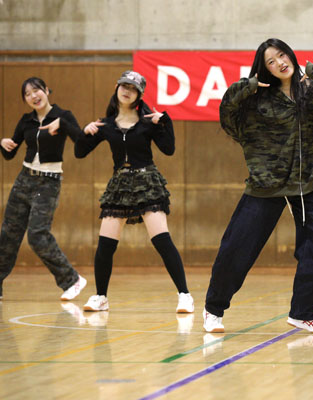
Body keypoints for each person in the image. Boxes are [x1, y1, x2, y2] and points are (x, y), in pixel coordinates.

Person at [202, 38, 313, 334]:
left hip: (309, 183)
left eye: (282, 55)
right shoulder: (256, 100)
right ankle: (213, 309)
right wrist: (245, 87)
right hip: (266, 184)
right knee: (237, 248)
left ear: (292, 55)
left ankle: (303, 313)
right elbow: (227, 116)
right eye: (271, 62)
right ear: (265, 70)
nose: (280, 63)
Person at [75, 71, 193, 313]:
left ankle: (185, 295)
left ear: (139, 95)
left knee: (162, 240)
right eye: (124, 86)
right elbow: (79, 152)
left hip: (147, 181)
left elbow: (169, 149)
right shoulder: (106, 125)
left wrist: (165, 121)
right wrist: (84, 132)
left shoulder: (148, 122)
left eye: (133, 88)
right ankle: (100, 297)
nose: (127, 91)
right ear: (117, 87)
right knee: (105, 244)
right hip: (119, 184)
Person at [0, 77, 86, 301]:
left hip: (48, 182)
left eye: (36, 90)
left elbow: (81, 141)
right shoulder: (26, 121)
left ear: (46, 90)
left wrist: (63, 124)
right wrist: (4, 144)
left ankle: (72, 280)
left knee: (37, 235)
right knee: (8, 234)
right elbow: (10, 153)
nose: (33, 96)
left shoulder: (63, 115)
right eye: (27, 94)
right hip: (24, 180)